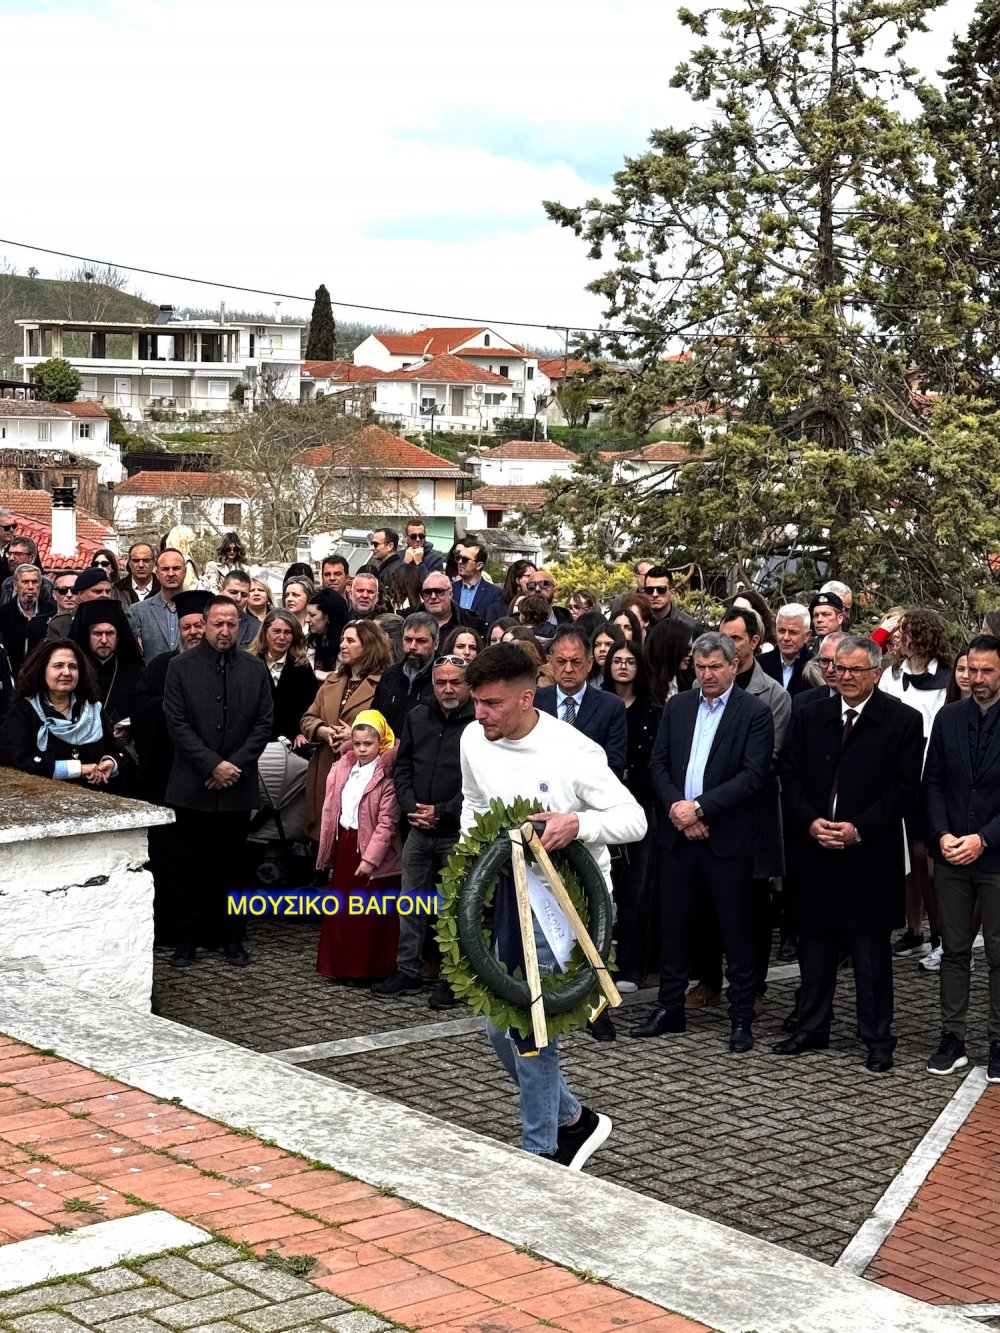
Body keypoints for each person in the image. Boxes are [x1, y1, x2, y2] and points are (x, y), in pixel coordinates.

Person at [461, 644, 647, 1167]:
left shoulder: (573, 752)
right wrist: (470, 875)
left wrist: (578, 824)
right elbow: (475, 804)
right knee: (500, 1026)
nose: (480, 714)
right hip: (510, 894)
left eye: (492, 704)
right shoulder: (474, 738)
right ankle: (573, 1117)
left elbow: (635, 820)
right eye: (477, 701)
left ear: (526, 698)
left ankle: (540, 1151)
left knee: (528, 1022)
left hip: (570, 905)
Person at [776, 636, 924, 1072]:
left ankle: (877, 1038)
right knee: (815, 945)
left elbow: (904, 790)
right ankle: (812, 1026)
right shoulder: (809, 713)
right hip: (815, 848)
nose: (845, 677)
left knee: (870, 954)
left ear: (876, 673)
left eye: (856, 670)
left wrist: (858, 829)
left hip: (869, 853)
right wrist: (810, 822)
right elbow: (790, 773)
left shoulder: (901, 720)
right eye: (838, 669)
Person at [634, 631, 773, 1051]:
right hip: (678, 838)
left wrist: (701, 809)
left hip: (725, 839)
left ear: (734, 666)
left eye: (715, 667)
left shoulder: (754, 712)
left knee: (736, 931)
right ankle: (670, 1007)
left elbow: (753, 776)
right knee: (674, 927)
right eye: (700, 667)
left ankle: (741, 1016)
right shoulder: (677, 706)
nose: (707, 675)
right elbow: (657, 764)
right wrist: (679, 807)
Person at [688, 608, 790, 1012]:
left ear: (753, 641)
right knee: (707, 904)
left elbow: (769, 758)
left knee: (753, 905)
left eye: (738, 638)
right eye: (723, 635)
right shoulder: (699, 689)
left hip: (750, 814)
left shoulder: (772, 696)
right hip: (704, 818)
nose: (731, 642)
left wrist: (709, 798)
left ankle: (755, 987)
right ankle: (709, 980)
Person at [163, 595, 273, 968]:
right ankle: (186, 940)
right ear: (205, 625)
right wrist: (212, 765)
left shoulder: (255, 669)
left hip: (237, 786)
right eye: (218, 624)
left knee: (233, 866)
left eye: (232, 624)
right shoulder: (180, 667)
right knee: (189, 865)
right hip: (192, 784)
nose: (225, 631)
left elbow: (263, 725)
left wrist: (233, 767)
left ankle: (231, 937)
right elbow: (176, 723)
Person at [374, 655, 476, 1005]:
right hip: (418, 827)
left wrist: (445, 812)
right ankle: (408, 970)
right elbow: (402, 767)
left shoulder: (478, 722)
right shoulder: (417, 715)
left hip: (455, 830)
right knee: (410, 902)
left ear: (468, 684)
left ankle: (454, 976)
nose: (447, 689)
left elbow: (480, 782)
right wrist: (409, 806)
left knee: (456, 906)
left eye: (455, 682)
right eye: (440, 682)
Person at [924, 634, 1000, 1083]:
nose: (977, 679)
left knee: (998, 951)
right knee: (952, 949)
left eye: (987, 670)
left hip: (995, 856)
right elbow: (932, 783)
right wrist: (943, 834)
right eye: (971, 670)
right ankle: (951, 1036)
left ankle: (998, 1040)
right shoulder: (949, 718)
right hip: (951, 853)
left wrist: (984, 839)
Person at [131, 589, 210, 946]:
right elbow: (143, 711)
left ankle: (209, 929)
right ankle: (171, 930)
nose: (193, 632)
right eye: (187, 626)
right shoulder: (162, 665)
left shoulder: (224, 665)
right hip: (167, 779)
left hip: (211, 780)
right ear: (178, 629)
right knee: (171, 858)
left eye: (199, 625)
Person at [879, 607, 953, 966]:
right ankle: (914, 930)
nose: (898, 639)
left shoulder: (947, 678)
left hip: (931, 775)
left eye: (905, 632)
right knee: (906, 859)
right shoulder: (892, 675)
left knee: (926, 858)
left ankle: (940, 930)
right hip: (898, 775)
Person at [316, 711, 402, 982]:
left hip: (369, 851)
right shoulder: (345, 767)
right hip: (346, 844)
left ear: (381, 743)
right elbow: (334, 806)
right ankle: (339, 965)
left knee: (367, 915)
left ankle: (366, 968)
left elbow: (387, 822)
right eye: (357, 743)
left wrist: (371, 858)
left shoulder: (385, 776)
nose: (362, 749)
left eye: (368, 744)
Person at [300, 619, 393, 839]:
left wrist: (355, 733)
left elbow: (389, 729)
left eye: (350, 640)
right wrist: (322, 730)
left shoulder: (385, 683)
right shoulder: (333, 680)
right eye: (342, 639)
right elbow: (307, 718)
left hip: (360, 770)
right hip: (325, 766)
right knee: (323, 835)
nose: (342, 645)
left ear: (368, 645)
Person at [604, 639, 662, 990]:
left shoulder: (653, 710)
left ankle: (630, 967)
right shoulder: (599, 706)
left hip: (640, 806)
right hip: (601, 808)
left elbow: (656, 762)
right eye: (617, 660)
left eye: (630, 661)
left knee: (635, 892)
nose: (623, 666)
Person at [0, 638, 120, 785]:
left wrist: (110, 763)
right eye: (58, 666)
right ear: (42, 670)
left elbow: (116, 750)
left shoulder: (92, 709)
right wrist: (78, 769)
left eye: (73, 666)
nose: (67, 672)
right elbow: (17, 759)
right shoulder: (24, 711)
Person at [535, 623, 627, 780]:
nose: (568, 669)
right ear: (551, 662)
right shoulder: (535, 701)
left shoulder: (611, 706)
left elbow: (613, 767)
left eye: (576, 662)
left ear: (589, 663)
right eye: (561, 661)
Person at [68, 599, 146, 735]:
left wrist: (131, 728)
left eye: (110, 633)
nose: (104, 640)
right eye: (97, 634)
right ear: (87, 635)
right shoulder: (72, 671)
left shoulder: (136, 672)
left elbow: (144, 711)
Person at [248, 609, 318, 744]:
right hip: (256, 741)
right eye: (276, 631)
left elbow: (312, 706)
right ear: (265, 632)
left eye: (287, 632)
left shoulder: (302, 666)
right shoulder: (250, 663)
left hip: (293, 741)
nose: (282, 637)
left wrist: (302, 732)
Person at [371, 613, 439, 735]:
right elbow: (374, 717)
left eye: (421, 641)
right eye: (408, 640)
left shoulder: (442, 679)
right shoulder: (390, 675)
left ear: (436, 643)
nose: (413, 646)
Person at [129, 550, 186, 662]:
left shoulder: (198, 608)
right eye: (165, 569)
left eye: (176, 568)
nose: (171, 574)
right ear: (157, 573)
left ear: (185, 571)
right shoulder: (138, 610)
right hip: (152, 677)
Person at [0, 565, 49, 674]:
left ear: (40, 586)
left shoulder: (51, 612)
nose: (30, 586)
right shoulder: (3, 614)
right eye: (25, 582)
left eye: (35, 582)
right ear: (15, 586)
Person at [760, 603, 814, 695]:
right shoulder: (759, 665)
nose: (786, 638)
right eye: (781, 631)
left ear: (807, 636)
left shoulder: (816, 667)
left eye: (793, 632)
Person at [414, 572, 483, 638]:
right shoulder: (408, 618)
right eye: (427, 592)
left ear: (450, 594)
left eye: (439, 591)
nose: (433, 596)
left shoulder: (471, 622)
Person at [645, 619, 695, 705]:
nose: (691, 654)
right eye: (686, 649)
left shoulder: (689, 682)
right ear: (670, 649)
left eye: (691, 649)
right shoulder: (642, 687)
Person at [306, 589, 349, 681]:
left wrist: (325, 675)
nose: (307, 619)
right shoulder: (309, 640)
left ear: (328, 616)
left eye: (312, 615)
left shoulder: (347, 643)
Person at [453, 542, 502, 622]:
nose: (460, 562)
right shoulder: (449, 589)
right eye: (458, 558)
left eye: (465, 559)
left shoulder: (495, 594)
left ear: (479, 565)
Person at [644, 566, 698, 631]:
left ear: (672, 593)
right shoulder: (637, 624)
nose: (655, 594)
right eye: (649, 590)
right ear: (644, 593)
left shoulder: (690, 626)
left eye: (661, 589)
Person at [220, 570, 260, 648]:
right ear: (221, 590)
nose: (238, 598)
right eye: (233, 592)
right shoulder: (204, 622)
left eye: (244, 595)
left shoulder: (257, 628)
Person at [165, 525, 200, 590]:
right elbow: (191, 586)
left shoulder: (166, 559)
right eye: (191, 541)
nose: (193, 544)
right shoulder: (185, 560)